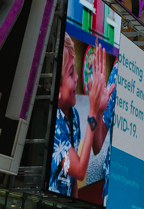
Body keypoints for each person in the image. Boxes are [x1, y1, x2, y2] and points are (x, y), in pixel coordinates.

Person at [49, 35, 114, 197]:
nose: (78, 77)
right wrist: (93, 111)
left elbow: (74, 181)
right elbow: (79, 170)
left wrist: (99, 111)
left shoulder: (74, 116)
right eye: (71, 73)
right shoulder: (54, 121)